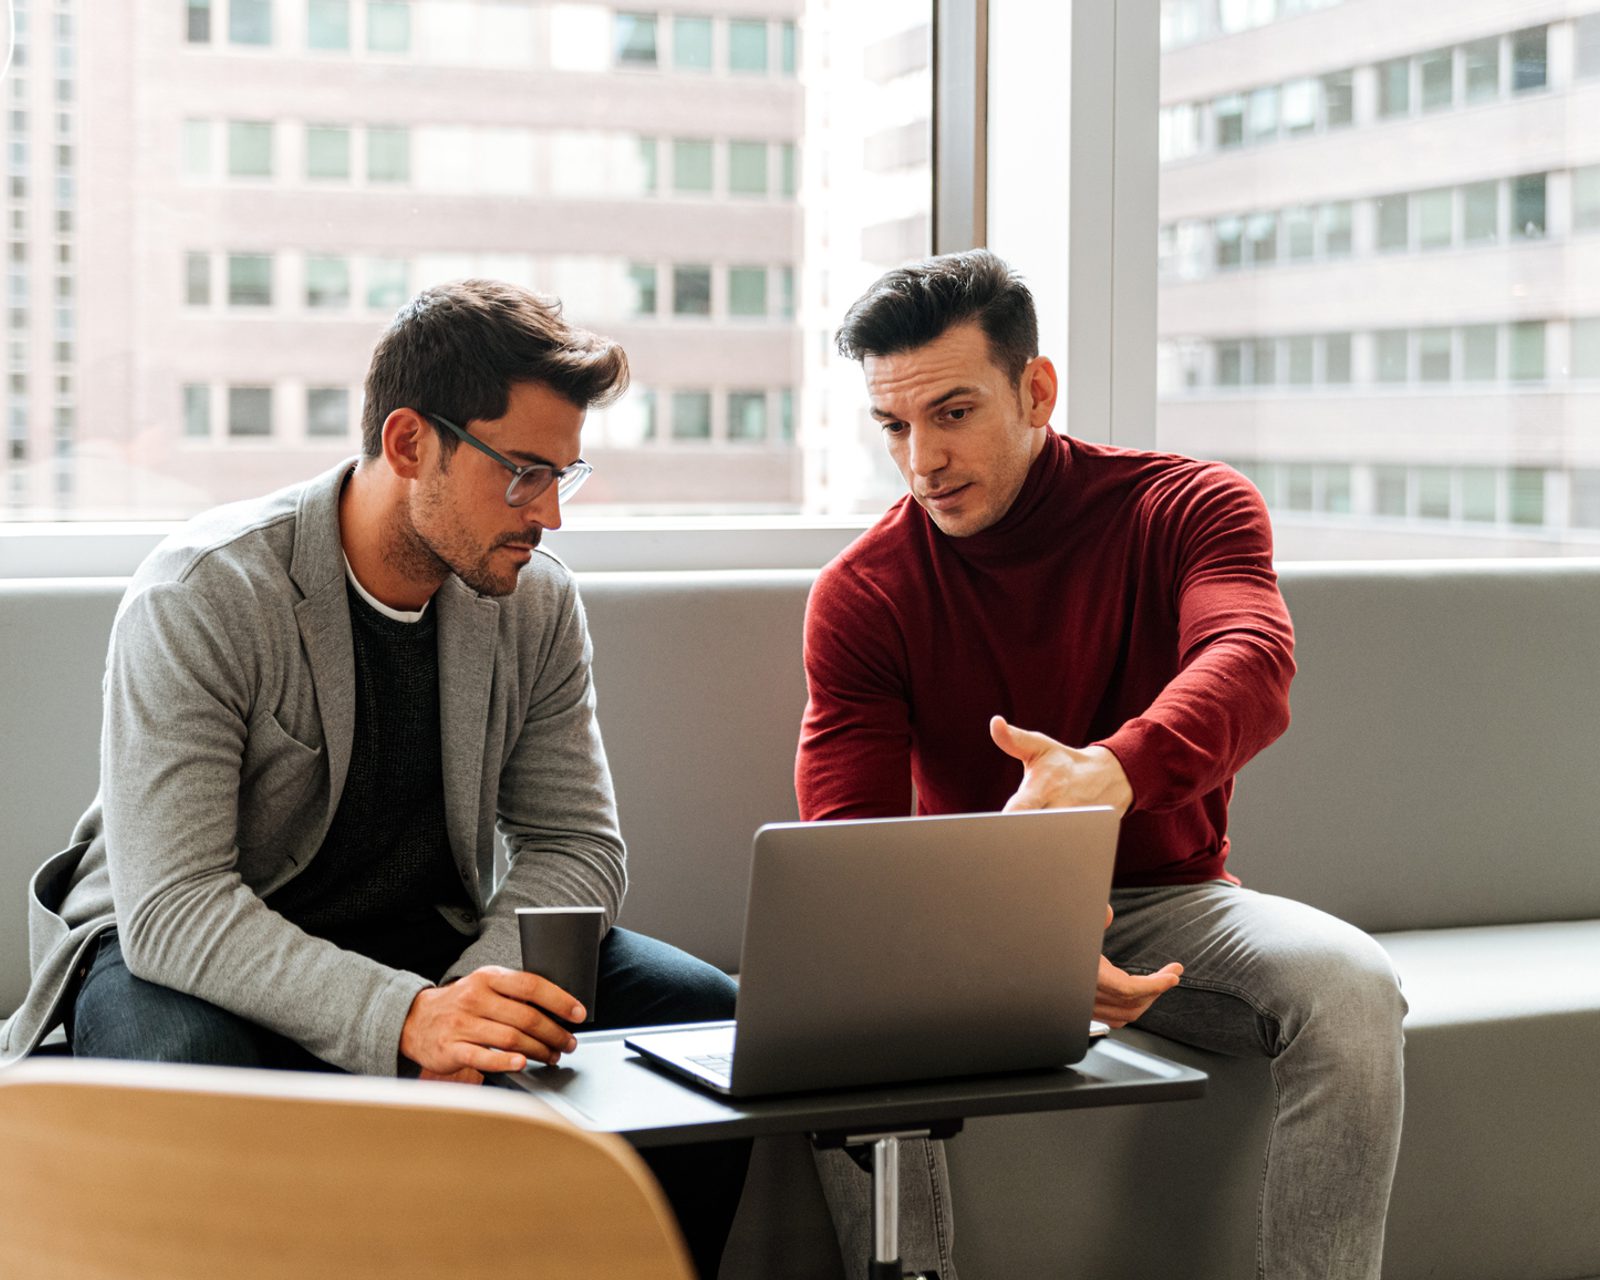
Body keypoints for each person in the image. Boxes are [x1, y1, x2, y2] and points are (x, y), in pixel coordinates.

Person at [0, 280, 747, 1277]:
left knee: (702, 1016)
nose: (551, 513)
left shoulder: (533, 601)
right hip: (175, 949)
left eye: (564, 474)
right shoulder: (206, 589)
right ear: (408, 442)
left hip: (429, 937)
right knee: (191, 1078)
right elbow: (175, 910)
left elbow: (576, 841)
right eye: (524, 472)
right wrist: (404, 1021)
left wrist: (479, 987)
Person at [796, 250, 1407, 1280]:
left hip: (1173, 906)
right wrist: (1011, 941)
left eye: (952, 413)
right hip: (959, 917)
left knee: (1350, 987)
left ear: (1036, 388)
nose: (920, 460)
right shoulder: (863, 592)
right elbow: (848, 853)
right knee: (827, 985)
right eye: (893, 426)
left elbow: (1250, 662)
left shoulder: (1188, 506)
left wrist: (1112, 771)